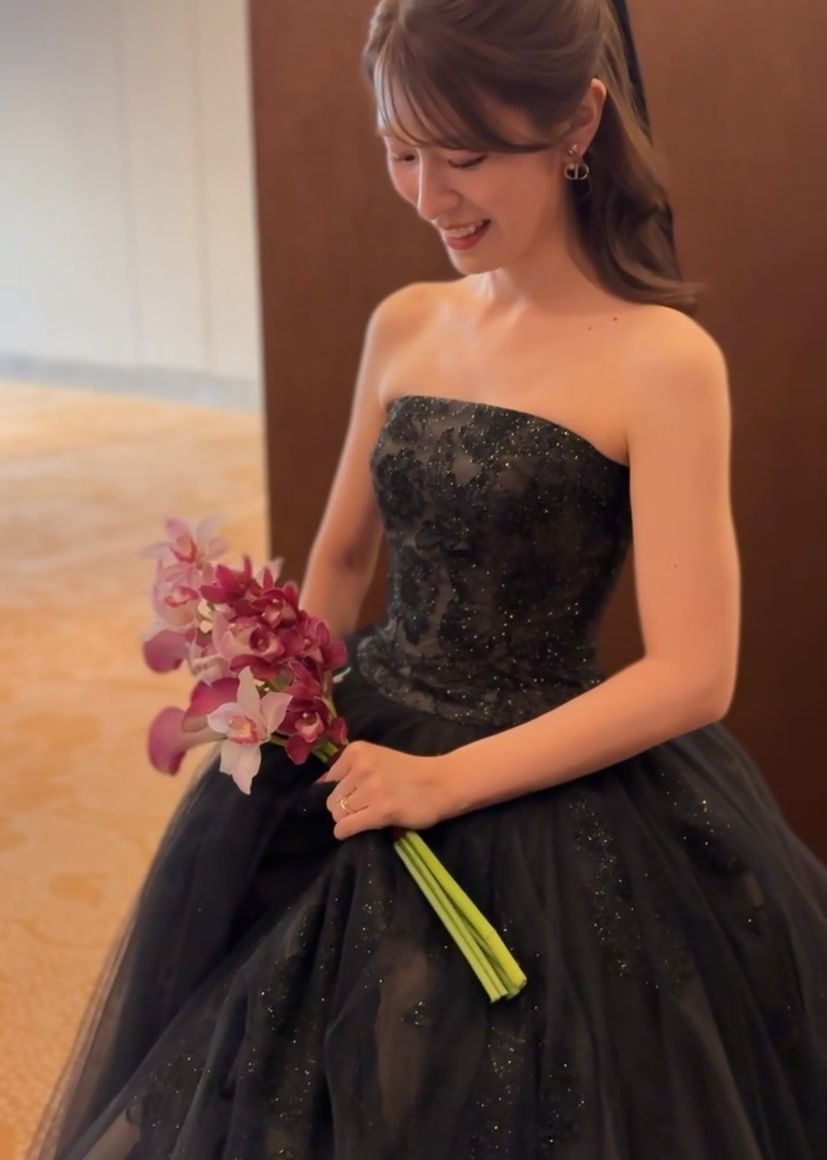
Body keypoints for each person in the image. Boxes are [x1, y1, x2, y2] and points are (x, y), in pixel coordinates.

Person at [27, 1, 827, 1157]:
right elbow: (344, 557)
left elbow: (694, 674)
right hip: (361, 734)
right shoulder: (405, 322)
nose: (428, 195)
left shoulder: (662, 360)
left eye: (465, 156)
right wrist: (286, 700)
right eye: (399, 151)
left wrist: (442, 781)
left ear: (577, 123)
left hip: (535, 770)